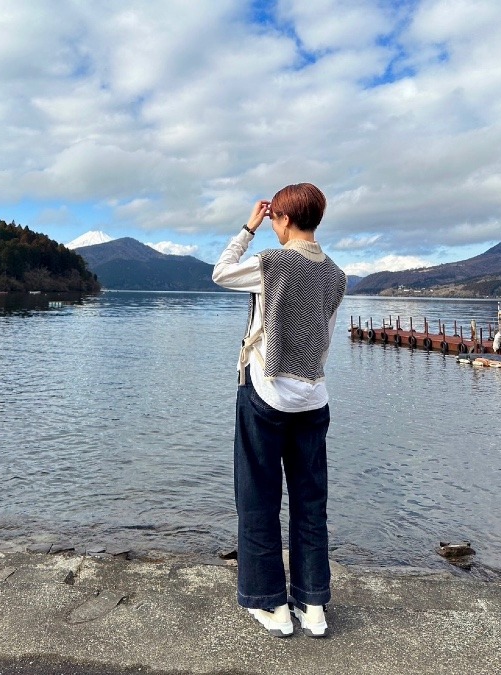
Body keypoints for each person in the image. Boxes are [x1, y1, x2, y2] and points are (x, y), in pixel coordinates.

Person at [212, 183, 346, 638]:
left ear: (285, 219)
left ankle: (270, 605)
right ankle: (312, 605)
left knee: (257, 498)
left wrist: (247, 228)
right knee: (311, 504)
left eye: (273, 219)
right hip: (313, 398)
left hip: (265, 394)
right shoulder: (337, 275)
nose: (271, 225)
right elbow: (322, 336)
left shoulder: (271, 263)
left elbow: (221, 273)